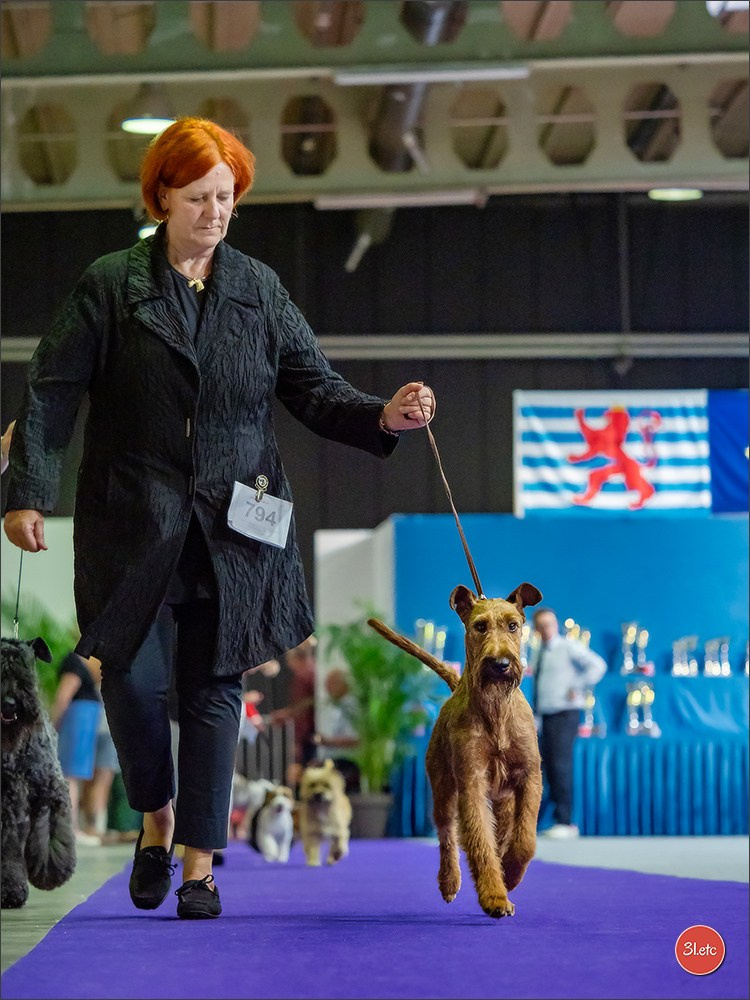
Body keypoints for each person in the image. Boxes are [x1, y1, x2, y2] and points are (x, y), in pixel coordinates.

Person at [2, 116, 436, 920]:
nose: (215, 212)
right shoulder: (109, 285)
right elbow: (54, 388)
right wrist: (29, 491)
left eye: (227, 197)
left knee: (214, 688)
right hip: (130, 522)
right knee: (129, 678)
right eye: (199, 197)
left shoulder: (259, 289)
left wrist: (384, 418)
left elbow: (312, 386)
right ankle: (156, 820)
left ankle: (198, 864)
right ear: (162, 196)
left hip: (238, 531)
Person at [530, 607, 607, 839]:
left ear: (556, 625)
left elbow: (598, 665)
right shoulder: (539, 652)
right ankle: (549, 820)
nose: (547, 629)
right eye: (542, 625)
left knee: (561, 766)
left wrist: (578, 686)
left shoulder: (568, 646)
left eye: (550, 624)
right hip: (545, 717)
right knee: (546, 768)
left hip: (565, 715)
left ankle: (566, 821)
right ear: (536, 628)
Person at [49, 651, 104, 846]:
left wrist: (52, 723)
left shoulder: (72, 660)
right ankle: (73, 827)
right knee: (73, 775)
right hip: (90, 716)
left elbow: (65, 693)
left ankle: (70, 828)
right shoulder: (90, 664)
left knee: (68, 775)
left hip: (77, 716)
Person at [269, 637, 317, 788]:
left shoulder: (303, 675)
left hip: (306, 734)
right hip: (308, 732)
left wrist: (287, 714)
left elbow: (303, 707)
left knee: (302, 773)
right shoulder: (312, 672)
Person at [313, 667, 361, 794]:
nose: (327, 689)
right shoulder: (339, 706)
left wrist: (328, 741)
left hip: (347, 762)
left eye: (330, 684)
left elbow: (356, 740)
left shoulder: (351, 707)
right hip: (334, 760)